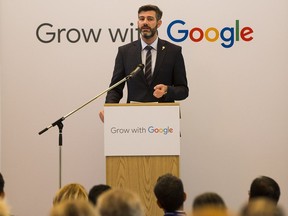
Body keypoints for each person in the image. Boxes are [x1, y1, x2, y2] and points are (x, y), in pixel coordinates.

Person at [99, 4, 189, 122]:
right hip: (133, 120)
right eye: (141, 19)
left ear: (159, 23)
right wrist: (109, 109)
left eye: (150, 19)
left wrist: (167, 90)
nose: (145, 22)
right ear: (138, 22)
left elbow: (183, 90)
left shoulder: (173, 51)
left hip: (164, 120)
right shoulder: (125, 51)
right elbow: (115, 88)